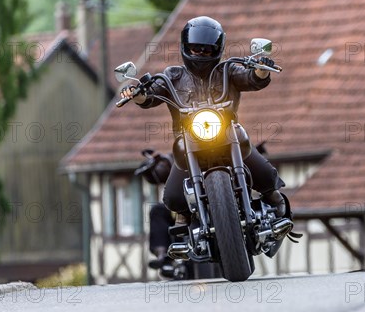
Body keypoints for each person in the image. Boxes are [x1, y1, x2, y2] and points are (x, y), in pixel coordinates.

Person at [121, 16, 287, 231]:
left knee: (243, 138)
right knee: (172, 197)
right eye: (196, 49)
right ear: (185, 47)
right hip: (188, 138)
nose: (201, 54)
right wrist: (138, 94)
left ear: (217, 49)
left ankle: (273, 196)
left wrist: (261, 69)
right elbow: (152, 95)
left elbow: (251, 79)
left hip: (226, 132)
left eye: (207, 50)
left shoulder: (227, 70)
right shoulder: (172, 75)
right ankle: (183, 219)